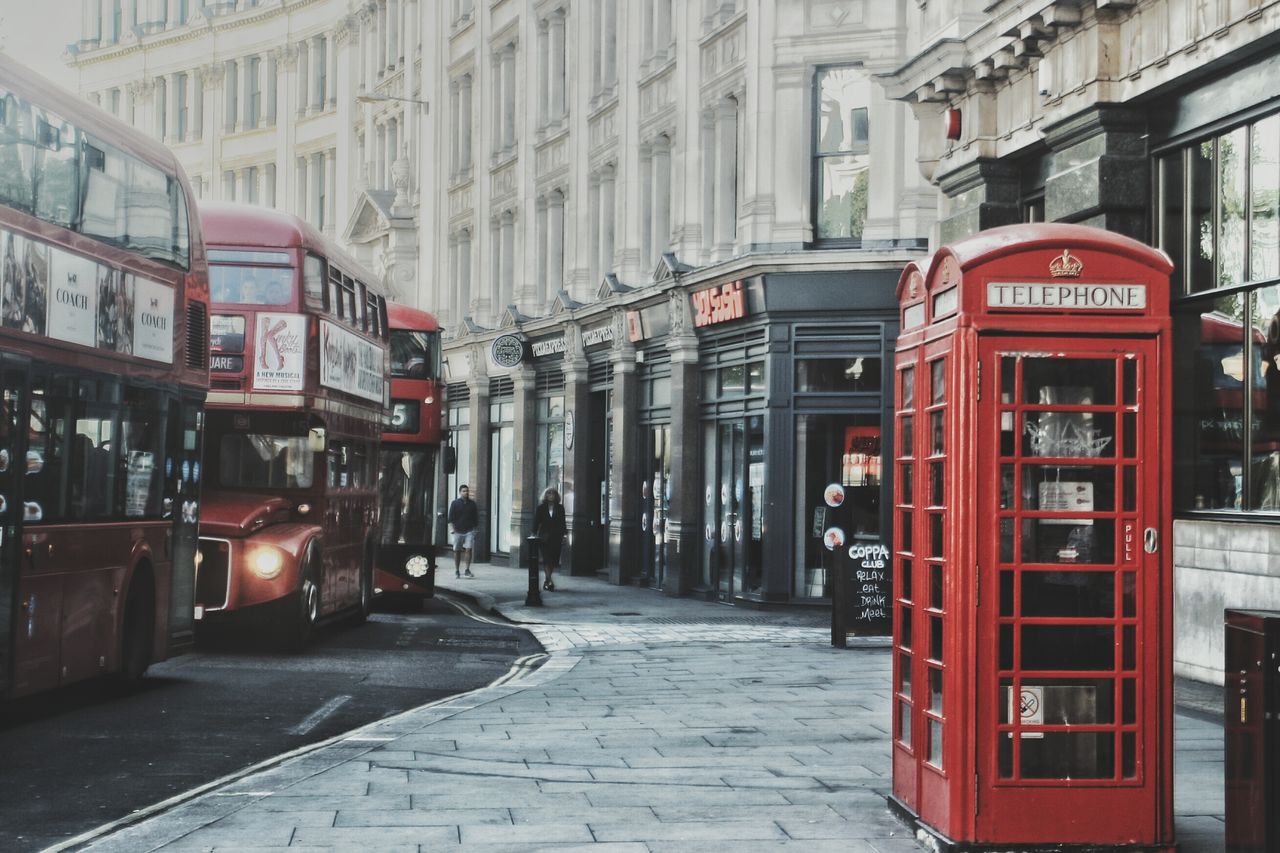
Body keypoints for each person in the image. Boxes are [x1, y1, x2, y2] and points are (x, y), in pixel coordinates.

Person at [532, 487, 566, 591]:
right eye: (549, 493)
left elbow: (562, 522)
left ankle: (547, 581)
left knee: (553, 560)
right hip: (544, 538)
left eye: (553, 494)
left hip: (557, 537)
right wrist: (533, 533)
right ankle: (550, 580)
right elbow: (536, 521)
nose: (551, 495)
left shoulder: (560, 508)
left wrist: (564, 535)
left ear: (556, 496)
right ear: (545, 495)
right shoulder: (541, 508)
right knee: (547, 559)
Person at [448, 484, 479, 578]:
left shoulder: (472, 504)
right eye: (464, 491)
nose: (466, 493)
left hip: (469, 530)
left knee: (469, 549)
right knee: (457, 551)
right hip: (457, 530)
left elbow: (475, 518)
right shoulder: (455, 503)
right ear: (460, 492)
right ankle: (457, 570)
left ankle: (467, 569)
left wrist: (475, 530)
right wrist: (452, 530)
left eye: (467, 491)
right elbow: (450, 518)